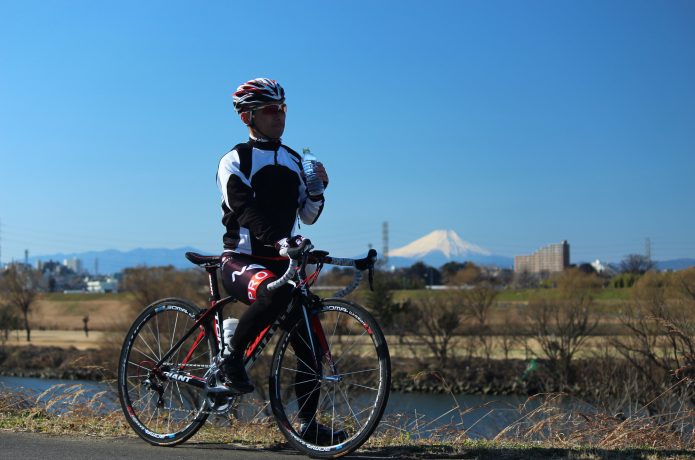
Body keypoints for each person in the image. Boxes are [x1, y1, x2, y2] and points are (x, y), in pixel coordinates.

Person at [216, 78, 343, 443]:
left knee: (308, 341)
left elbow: (309, 214)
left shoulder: (293, 160)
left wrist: (319, 190)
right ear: (247, 117)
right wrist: (280, 239)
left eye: (282, 109)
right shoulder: (234, 160)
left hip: (283, 262)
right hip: (240, 259)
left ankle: (308, 426)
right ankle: (231, 360)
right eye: (270, 110)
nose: (278, 116)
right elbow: (244, 209)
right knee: (270, 295)